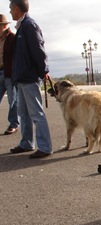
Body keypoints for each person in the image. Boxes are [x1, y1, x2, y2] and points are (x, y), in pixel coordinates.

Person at [9, 0, 53, 158]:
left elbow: (39, 50)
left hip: (29, 78)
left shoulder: (29, 25)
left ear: (16, 9)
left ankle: (45, 147)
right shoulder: (22, 26)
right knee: (24, 113)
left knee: (36, 114)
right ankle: (27, 143)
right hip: (21, 78)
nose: (9, 12)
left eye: (10, 9)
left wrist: (44, 71)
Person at [0, 14, 18, 135]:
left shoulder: (12, 37)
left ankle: (13, 124)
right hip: (0, 72)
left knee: (13, 101)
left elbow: (17, 56)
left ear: (5, 26)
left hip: (9, 73)